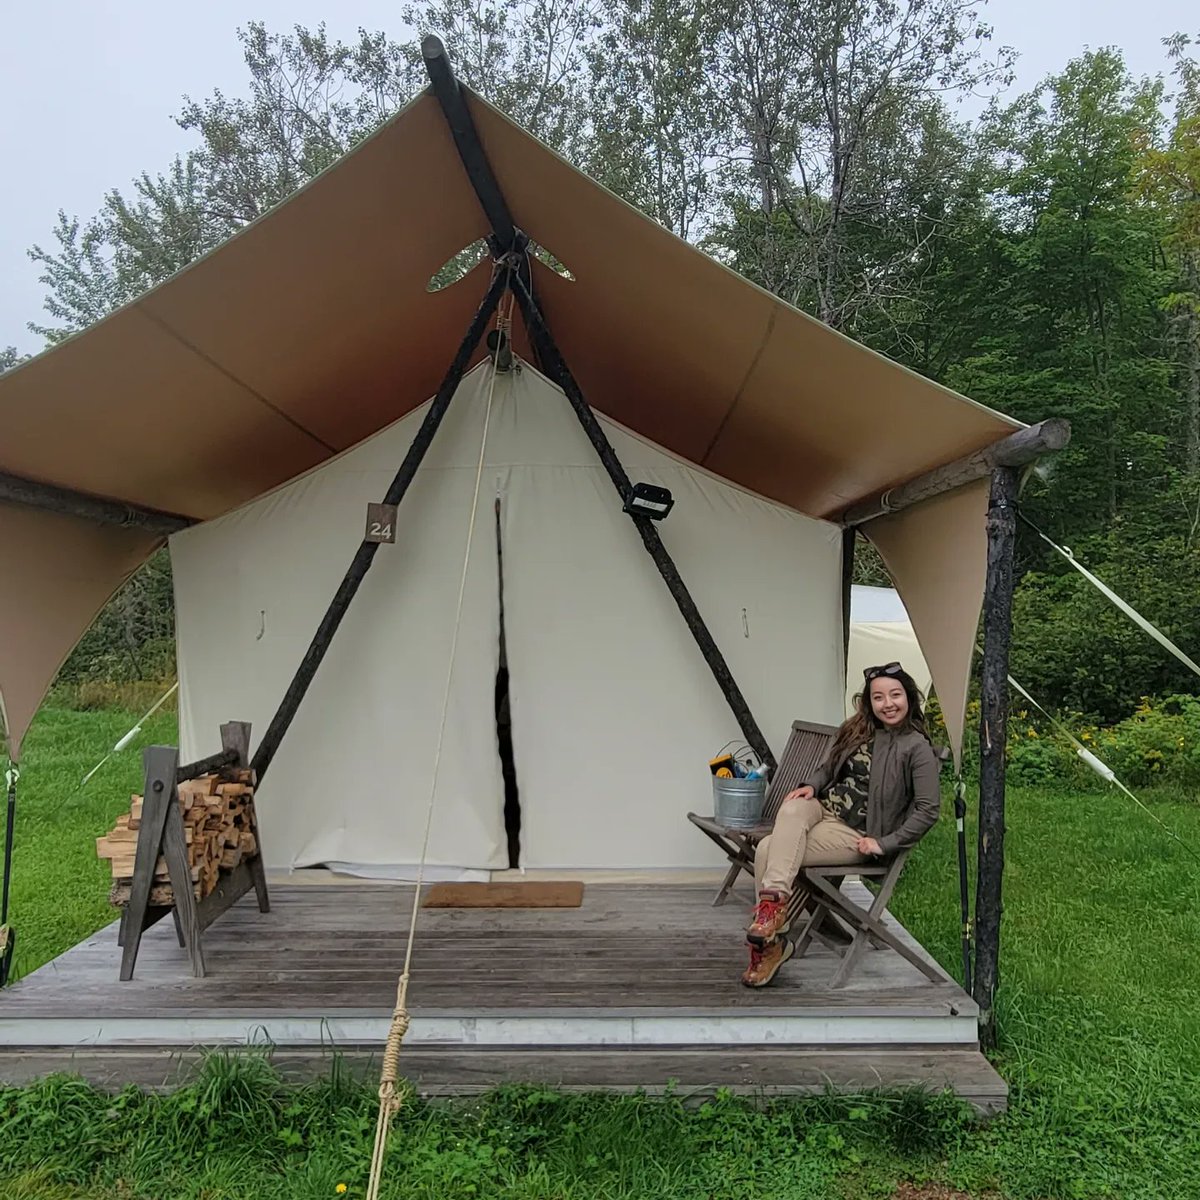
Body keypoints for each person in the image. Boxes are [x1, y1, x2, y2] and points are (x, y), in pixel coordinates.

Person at [741, 661, 941, 988]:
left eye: (895, 695)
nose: (888, 704)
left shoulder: (916, 747)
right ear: (869, 702)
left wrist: (885, 843)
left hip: (859, 833)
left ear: (909, 697)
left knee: (767, 848)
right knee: (792, 808)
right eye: (879, 697)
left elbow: (928, 809)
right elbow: (828, 766)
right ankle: (771, 917)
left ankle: (769, 945)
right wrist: (812, 786)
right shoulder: (857, 728)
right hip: (823, 810)